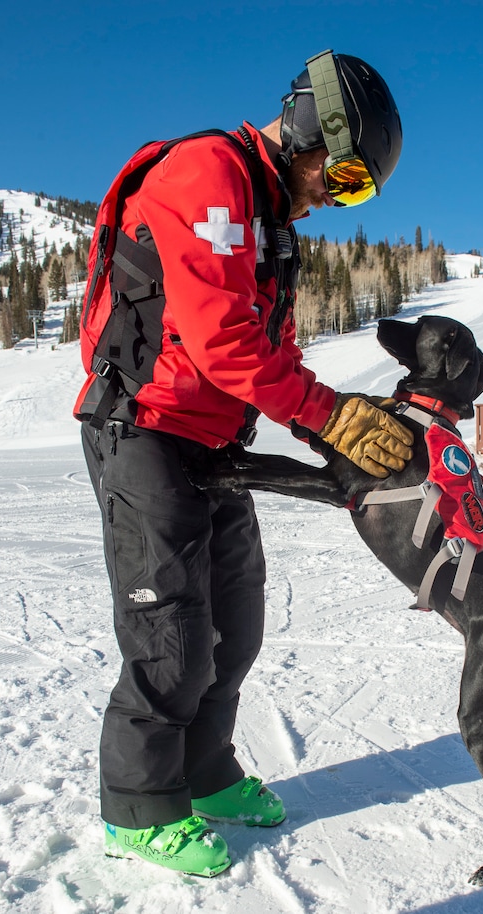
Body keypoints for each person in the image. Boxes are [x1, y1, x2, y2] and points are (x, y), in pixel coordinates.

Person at [74, 50, 412, 877]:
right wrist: (327, 411)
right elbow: (222, 340)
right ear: (309, 129)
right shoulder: (208, 175)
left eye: (357, 191)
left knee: (236, 621)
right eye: (344, 176)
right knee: (170, 633)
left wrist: (323, 432)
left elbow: (272, 348)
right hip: (145, 428)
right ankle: (139, 809)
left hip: (214, 440)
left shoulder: (273, 223)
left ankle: (204, 771)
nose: (335, 198)